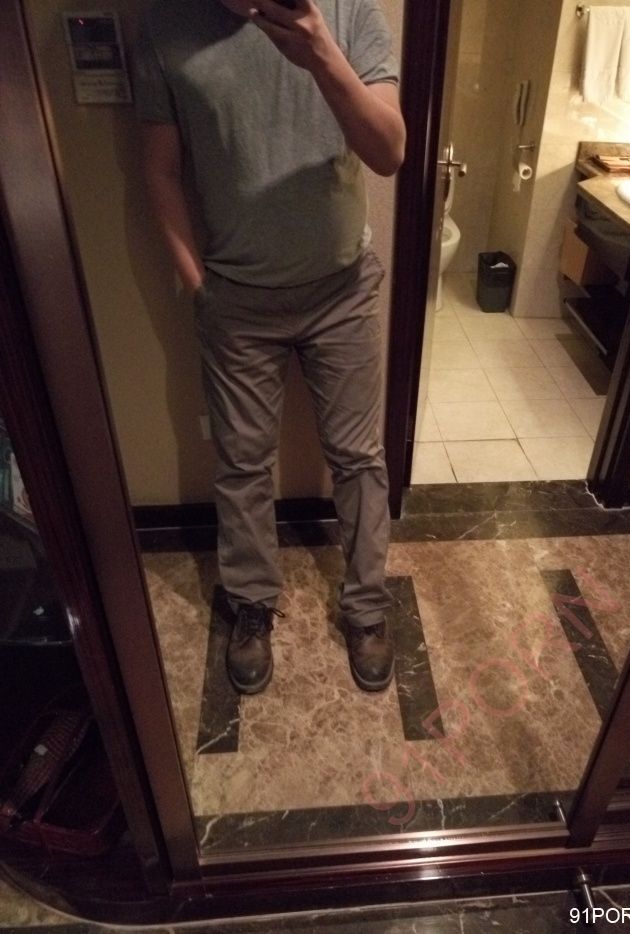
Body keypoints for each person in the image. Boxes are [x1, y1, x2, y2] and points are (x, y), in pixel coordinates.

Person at [133, 0, 405, 695]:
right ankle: (252, 603)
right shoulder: (164, 26)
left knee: (359, 459)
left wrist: (320, 52)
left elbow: (389, 152)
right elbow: (160, 168)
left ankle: (367, 605)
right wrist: (198, 285)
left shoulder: (348, 12)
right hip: (236, 302)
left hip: (343, 289)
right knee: (242, 463)